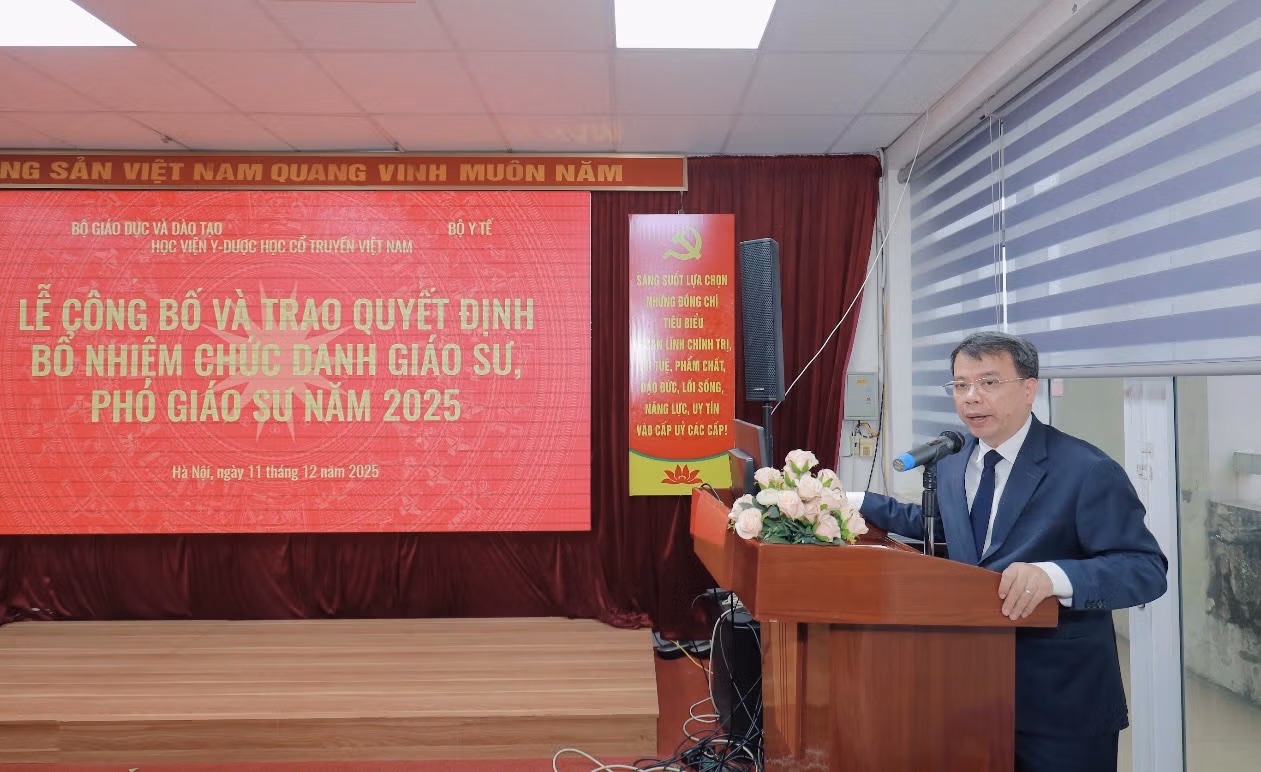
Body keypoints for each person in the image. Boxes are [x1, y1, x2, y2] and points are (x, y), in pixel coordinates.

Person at [851, 331, 1167, 772]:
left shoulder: (1086, 469)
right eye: (961, 384)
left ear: (1028, 388)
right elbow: (953, 530)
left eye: (988, 382)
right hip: (969, 694)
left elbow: (1144, 568)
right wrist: (856, 502)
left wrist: (1054, 577)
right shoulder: (953, 461)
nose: (971, 397)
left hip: (1061, 704)